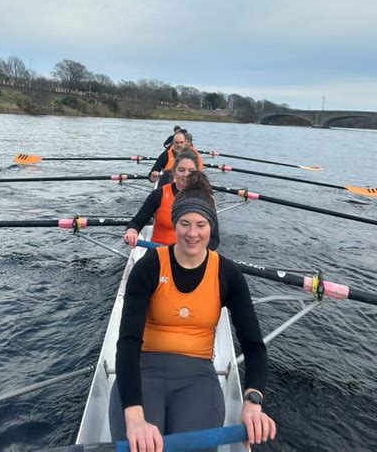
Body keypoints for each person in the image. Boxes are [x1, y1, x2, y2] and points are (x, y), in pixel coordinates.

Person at [110, 172, 276, 452]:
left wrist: (253, 401)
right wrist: (135, 417)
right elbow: (127, 342)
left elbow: (253, 345)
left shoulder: (228, 274)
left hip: (197, 379)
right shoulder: (148, 267)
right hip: (142, 370)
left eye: (201, 224)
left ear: (211, 227)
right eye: (184, 223)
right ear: (174, 224)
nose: (192, 233)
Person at [124, 150, 219, 249]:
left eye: (191, 171)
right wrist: (132, 231)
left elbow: (214, 239)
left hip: (191, 256)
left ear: (197, 172)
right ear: (173, 171)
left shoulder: (205, 198)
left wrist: (191, 253)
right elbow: (136, 222)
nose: (186, 174)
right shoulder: (159, 194)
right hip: (158, 250)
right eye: (181, 170)